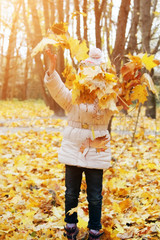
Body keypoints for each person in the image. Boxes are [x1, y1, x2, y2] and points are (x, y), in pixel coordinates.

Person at [44, 47, 113, 240]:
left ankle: (94, 229)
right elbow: (58, 91)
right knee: (71, 192)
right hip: (74, 148)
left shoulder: (108, 98)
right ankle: (71, 226)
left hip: (97, 150)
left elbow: (125, 97)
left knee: (94, 196)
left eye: (96, 74)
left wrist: (132, 80)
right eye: (87, 73)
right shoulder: (74, 96)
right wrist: (52, 69)